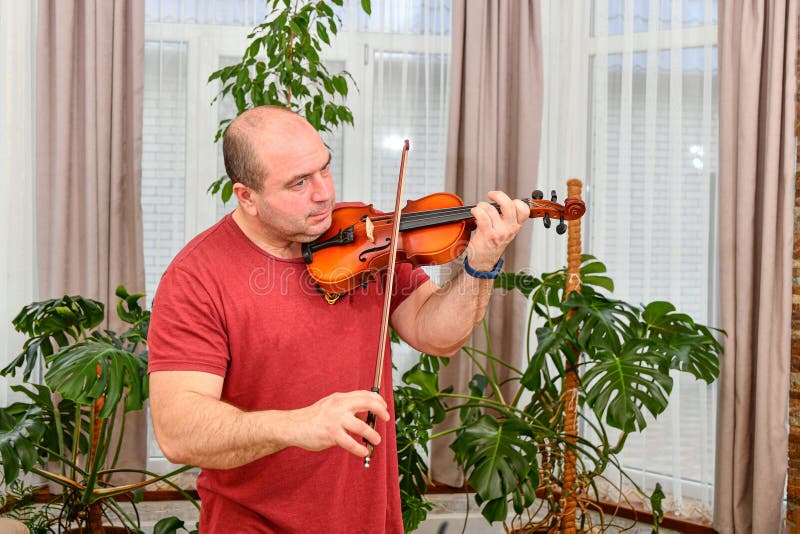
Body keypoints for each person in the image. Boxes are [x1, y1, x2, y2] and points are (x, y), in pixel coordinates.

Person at [148, 105, 529, 533]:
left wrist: (480, 265)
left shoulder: (364, 234)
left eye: (324, 169)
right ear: (246, 196)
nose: (323, 193)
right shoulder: (196, 278)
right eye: (298, 183)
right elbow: (178, 431)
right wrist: (298, 424)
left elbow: (436, 334)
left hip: (369, 521)